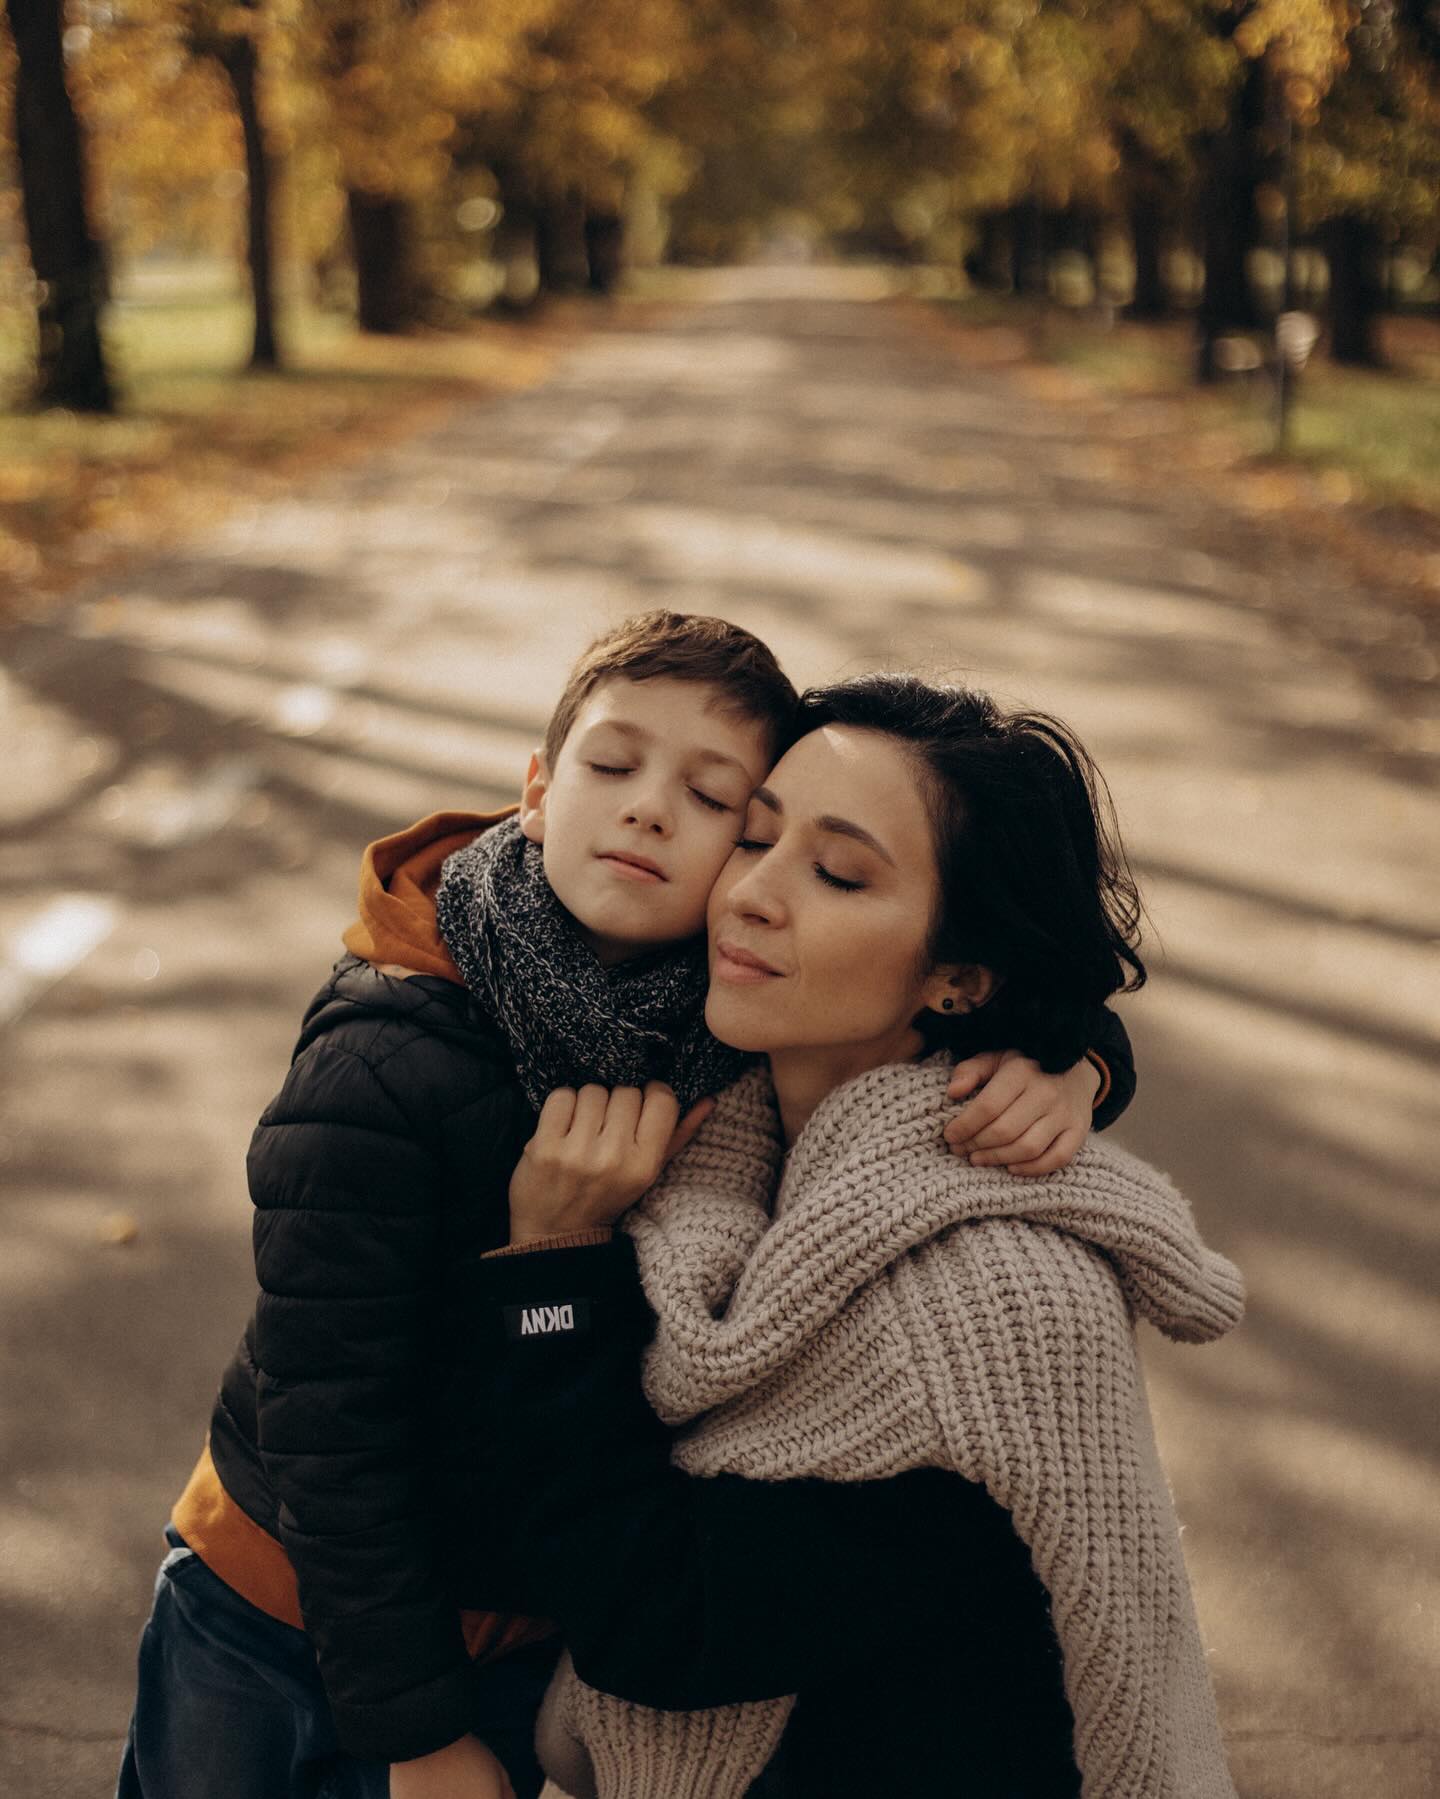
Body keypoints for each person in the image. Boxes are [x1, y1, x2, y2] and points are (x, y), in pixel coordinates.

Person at [117, 620, 1133, 1799]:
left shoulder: (716, 1006)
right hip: (283, 1614)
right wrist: (412, 1727)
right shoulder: (395, 1061)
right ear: (537, 794)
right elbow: (326, 1426)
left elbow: (999, 962)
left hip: (526, 1626)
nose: (657, 815)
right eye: (614, 768)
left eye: (721, 805)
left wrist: (1075, 1066)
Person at [454, 674, 1244, 1798]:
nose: (750, 896)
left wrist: (553, 1273)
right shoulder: (727, 1141)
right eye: (756, 835)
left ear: (961, 978)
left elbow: (665, 1625)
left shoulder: (983, 1306)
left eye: (836, 872)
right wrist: (1087, 1059)